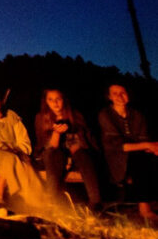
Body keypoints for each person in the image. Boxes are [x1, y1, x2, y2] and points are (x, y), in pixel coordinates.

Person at [0, 91, 45, 209]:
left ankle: (34, 202)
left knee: (23, 166)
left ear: (1, 102)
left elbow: (23, 139)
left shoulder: (11, 116)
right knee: (9, 159)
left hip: (13, 152)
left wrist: (20, 151)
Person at [97, 83, 158, 220]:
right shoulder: (105, 114)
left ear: (128, 95)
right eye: (115, 93)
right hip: (115, 157)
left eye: (122, 92)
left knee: (149, 156)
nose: (119, 96)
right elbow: (117, 146)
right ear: (109, 97)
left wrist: (153, 147)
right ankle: (144, 208)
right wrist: (147, 145)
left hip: (138, 152)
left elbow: (144, 138)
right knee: (140, 160)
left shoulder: (137, 115)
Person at [34, 89, 101, 209]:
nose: (55, 103)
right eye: (51, 100)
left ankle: (95, 203)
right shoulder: (41, 118)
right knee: (51, 155)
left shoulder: (75, 116)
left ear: (64, 99)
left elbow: (81, 143)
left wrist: (73, 153)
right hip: (54, 153)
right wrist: (56, 133)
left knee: (83, 156)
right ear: (46, 102)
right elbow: (49, 146)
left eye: (58, 99)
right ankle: (52, 202)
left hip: (74, 150)